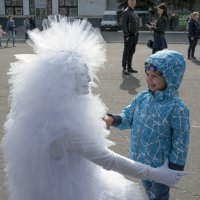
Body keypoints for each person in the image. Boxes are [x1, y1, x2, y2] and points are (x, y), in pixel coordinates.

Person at [1, 17, 186, 200]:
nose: (89, 79)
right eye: (82, 74)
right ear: (62, 82)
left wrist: (113, 119)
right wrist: (158, 174)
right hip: (69, 189)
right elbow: (108, 159)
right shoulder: (64, 127)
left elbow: (178, 137)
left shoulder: (40, 109)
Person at [104, 49, 190, 200]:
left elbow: (181, 140)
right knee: (147, 190)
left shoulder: (177, 108)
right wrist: (113, 119)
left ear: (171, 77)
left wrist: (175, 167)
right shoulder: (142, 97)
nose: (149, 79)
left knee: (158, 195)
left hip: (162, 168)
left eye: (155, 76)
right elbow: (128, 116)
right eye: (147, 75)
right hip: (142, 162)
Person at [121, 0, 139, 75]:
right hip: (129, 36)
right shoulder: (126, 12)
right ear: (128, 2)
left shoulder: (134, 12)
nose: (132, 2)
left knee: (131, 51)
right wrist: (127, 35)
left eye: (134, 1)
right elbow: (124, 25)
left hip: (135, 35)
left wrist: (137, 34)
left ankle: (130, 68)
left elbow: (136, 24)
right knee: (126, 52)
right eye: (131, 1)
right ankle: (124, 68)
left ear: (135, 2)